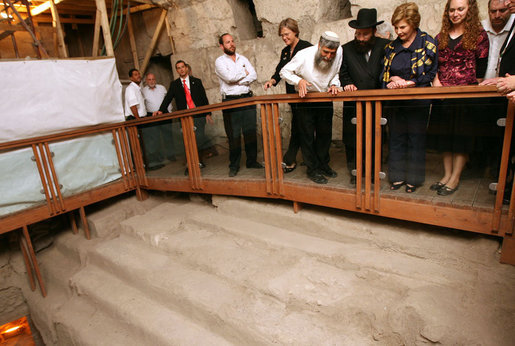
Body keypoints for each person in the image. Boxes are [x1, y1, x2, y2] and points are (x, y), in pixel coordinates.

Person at [430, 0, 489, 196]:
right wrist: (437, 81)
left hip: (466, 97)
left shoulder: (479, 36)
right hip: (443, 97)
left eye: (460, 9)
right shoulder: (440, 37)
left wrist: (466, 86)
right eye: (452, 10)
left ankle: (455, 178)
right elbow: (434, 65)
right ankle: (446, 175)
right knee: (445, 137)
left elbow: (480, 71)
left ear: (469, 10)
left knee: (461, 138)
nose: (455, 14)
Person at [380, 3, 437, 193]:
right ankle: (396, 177)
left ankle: (414, 179)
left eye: (402, 27)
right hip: (396, 103)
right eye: (396, 27)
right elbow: (383, 74)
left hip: (418, 101)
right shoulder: (391, 47)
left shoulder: (427, 43)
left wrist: (408, 83)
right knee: (396, 139)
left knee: (416, 139)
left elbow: (431, 73)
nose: (398, 31)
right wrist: (390, 82)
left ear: (413, 23)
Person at [280, 31, 342, 184]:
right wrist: (298, 81)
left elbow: (336, 72)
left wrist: (334, 84)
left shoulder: (339, 53)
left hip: (325, 99)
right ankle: (312, 169)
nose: (328, 56)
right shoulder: (304, 54)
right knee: (307, 137)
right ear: (319, 45)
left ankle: (323, 165)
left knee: (324, 135)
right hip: (305, 99)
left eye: (331, 53)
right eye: (325, 52)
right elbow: (284, 71)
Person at [339, 8, 390, 184]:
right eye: (358, 34)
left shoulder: (385, 46)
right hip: (353, 103)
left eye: (365, 34)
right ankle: (356, 173)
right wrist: (346, 83)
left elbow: (388, 71)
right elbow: (342, 73)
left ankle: (373, 172)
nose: (360, 38)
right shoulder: (345, 49)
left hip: (376, 104)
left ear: (374, 32)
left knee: (375, 139)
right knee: (353, 140)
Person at [263, 18, 312, 174]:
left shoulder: (306, 47)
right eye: (282, 36)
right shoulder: (285, 51)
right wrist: (272, 80)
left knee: (302, 129)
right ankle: (298, 159)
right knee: (299, 127)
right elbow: (280, 69)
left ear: (295, 31)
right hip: (292, 96)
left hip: (306, 95)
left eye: (287, 34)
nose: (284, 38)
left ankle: (292, 159)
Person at [215, 33, 263, 177]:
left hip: (247, 98)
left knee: (250, 131)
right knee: (233, 134)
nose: (232, 44)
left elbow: (253, 75)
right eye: (228, 42)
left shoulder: (243, 58)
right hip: (231, 100)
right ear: (222, 46)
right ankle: (234, 165)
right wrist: (244, 73)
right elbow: (229, 79)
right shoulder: (219, 61)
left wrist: (239, 80)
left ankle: (251, 161)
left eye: (232, 41)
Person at [156, 60, 213, 173]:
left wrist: (208, 113)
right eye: (178, 68)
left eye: (183, 67)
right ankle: (190, 165)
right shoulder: (174, 84)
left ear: (186, 68)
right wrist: (160, 110)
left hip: (198, 115)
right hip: (185, 117)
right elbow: (168, 98)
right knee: (187, 141)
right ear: (177, 70)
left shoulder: (196, 81)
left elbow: (204, 98)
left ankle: (199, 161)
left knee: (199, 139)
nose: (181, 69)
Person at [124, 68, 164, 171]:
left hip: (142, 118)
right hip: (135, 119)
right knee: (138, 143)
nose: (138, 76)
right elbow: (133, 106)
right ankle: (142, 166)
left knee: (146, 141)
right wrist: (138, 120)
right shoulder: (130, 89)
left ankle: (149, 164)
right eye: (135, 75)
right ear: (131, 78)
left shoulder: (138, 88)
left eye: (138, 74)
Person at [141, 73, 176, 165]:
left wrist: (169, 112)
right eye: (149, 79)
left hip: (164, 114)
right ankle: (159, 158)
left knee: (168, 136)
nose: (151, 81)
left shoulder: (162, 88)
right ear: (146, 81)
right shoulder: (143, 91)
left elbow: (168, 100)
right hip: (152, 117)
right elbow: (142, 104)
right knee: (155, 138)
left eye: (153, 79)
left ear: (155, 80)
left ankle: (171, 155)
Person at [480, 0, 514, 81]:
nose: (497, 15)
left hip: (507, 85)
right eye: (493, 11)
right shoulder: (480, 29)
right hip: (481, 86)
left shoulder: (513, 29)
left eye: (502, 11)